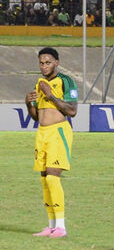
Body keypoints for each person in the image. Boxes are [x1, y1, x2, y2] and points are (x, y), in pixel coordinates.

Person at [25, 47, 77, 238]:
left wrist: (51, 95)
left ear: (57, 62)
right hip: (42, 133)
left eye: (48, 62)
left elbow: (72, 111)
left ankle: (61, 227)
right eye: (41, 62)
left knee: (53, 178)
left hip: (58, 132)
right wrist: (28, 102)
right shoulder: (39, 83)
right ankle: (50, 226)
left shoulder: (65, 81)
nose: (44, 66)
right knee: (44, 180)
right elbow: (36, 117)